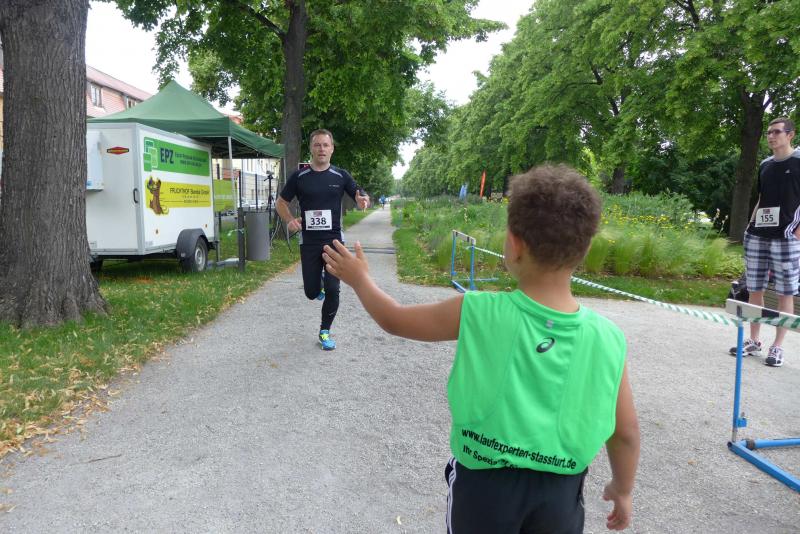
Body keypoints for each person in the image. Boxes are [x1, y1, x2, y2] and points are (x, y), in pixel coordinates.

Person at [323, 165, 640, 532]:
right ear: (583, 249)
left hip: (483, 488)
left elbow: (395, 319)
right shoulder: (608, 337)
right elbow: (626, 431)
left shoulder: (477, 310)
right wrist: (622, 488)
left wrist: (360, 279)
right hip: (561, 494)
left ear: (515, 244)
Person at [276, 129, 369, 350]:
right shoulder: (299, 177)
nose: (321, 149)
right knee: (311, 292)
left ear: (332, 149)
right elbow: (281, 202)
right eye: (317, 145)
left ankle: (325, 331)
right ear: (311, 148)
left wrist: (363, 200)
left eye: (326, 145)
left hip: (334, 241)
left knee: (334, 288)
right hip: (309, 241)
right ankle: (318, 287)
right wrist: (290, 220)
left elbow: (360, 194)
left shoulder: (341, 176)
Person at [729, 117, 800, 367]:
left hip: (786, 237)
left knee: (785, 292)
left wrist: (797, 232)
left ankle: (778, 347)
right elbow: (762, 198)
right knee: (754, 288)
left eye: (777, 132)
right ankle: (754, 340)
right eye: (769, 132)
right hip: (758, 235)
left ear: (790, 134)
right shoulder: (765, 165)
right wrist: (750, 226)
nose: (771, 136)